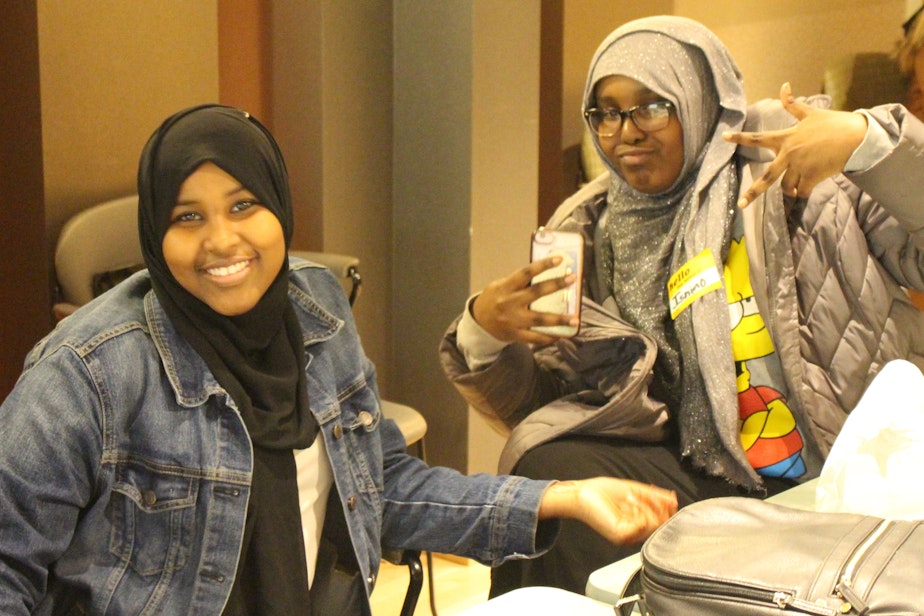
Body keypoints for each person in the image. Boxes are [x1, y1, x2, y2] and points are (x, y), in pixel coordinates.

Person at [0, 105, 677, 615]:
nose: (222, 240)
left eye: (244, 205)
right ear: (155, 230)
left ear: (280, 207)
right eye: (187, 218)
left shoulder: (312, 312)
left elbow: (379, 488)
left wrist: (567, 496)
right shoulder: (86, 370)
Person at [440, 15, 924, 595]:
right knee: (544, 469)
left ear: (697, 100)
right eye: (608, 111)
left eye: (651, 106)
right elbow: (557, 410)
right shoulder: (595, 230)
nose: (626, 132)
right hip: (705, 471)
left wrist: (867, 144)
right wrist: (485, 337)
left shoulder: (801, 175)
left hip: (835, 470)